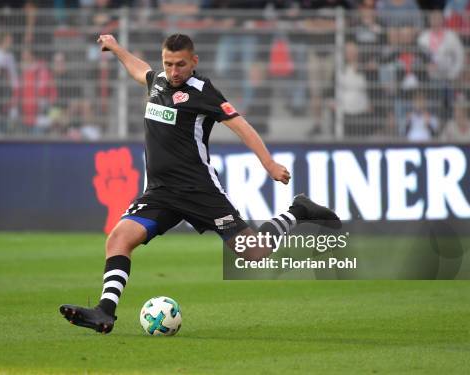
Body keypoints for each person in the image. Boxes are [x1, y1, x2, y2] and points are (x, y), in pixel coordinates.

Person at [59, 33, 341, 334]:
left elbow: (241, 126)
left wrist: (269, 164)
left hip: (199, 192)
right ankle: (105, 312)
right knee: (118, 239)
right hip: (160, 193)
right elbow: (139, 69)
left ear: (194, 61)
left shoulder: (203, 92)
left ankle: (299, 210)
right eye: (168, 64)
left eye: (180, 64)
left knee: (254, 252)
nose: (174, 71)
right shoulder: (158, 82)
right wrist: (116, 48)